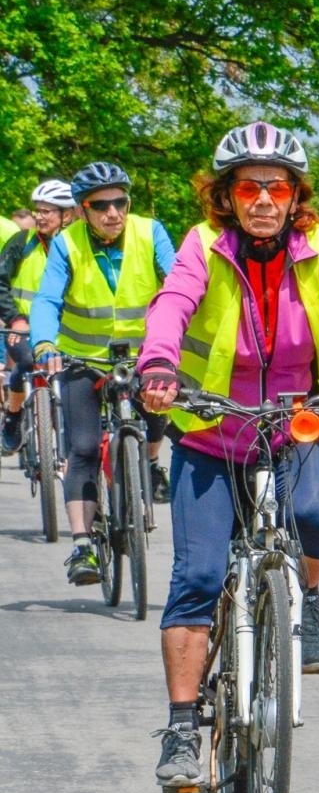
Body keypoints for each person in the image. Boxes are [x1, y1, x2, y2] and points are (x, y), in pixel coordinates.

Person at [137, 120, 319, 789]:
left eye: (275, 186)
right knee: (196, 578)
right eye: (247, 186)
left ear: (294, 194)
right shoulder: (202, 245)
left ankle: (307, 599)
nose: (262, 198)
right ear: (226, 195)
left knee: (318, 518)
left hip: (294, 426)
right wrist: (159, 363)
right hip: (210, 432)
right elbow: (172, 305)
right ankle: (181, 727)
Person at [31, 162, 175, 584]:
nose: (113, 212)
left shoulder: (151, 233)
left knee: (157, 410)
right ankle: (81, 546)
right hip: (82, 358)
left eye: (120, 202)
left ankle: (150, 463)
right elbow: (46, 300)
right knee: (83, 448)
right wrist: (44, 343)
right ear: (81, 210)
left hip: (145, 353)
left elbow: (180, 283)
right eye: (101, 205)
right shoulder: (66, 244)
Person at [0, 180, 73, 454]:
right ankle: (14, 416)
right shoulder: (22, 242)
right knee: (28, 361)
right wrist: (15, 317)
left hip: (68, 329)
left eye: (47, 211)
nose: (40, 217)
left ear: (67, 214)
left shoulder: (78, 244)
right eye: (38, 211)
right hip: (24, 327)